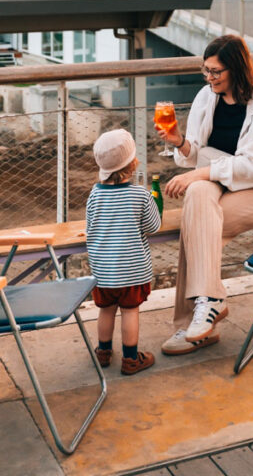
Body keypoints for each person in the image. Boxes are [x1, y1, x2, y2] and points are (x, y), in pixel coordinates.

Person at [157, 34, 253, 356]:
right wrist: (179, 142)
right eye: (205, 71)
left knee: (197, 224)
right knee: (198, 199)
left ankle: (189, 322)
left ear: (236, 68)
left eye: (216, 71)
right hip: (219, 179)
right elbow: (199, 154)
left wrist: (198, 173)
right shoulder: (206, 97)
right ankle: (210, 302)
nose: (209, 78)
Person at [86, 129, 161, 375]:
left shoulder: (94, 195)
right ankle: (131, 359)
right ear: (132, 163)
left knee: (106, 310)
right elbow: (153, 226)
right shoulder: (140, 194)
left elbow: (90, 227)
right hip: (132, 271)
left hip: (103, 271)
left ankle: (104, 352)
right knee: (130, 311)